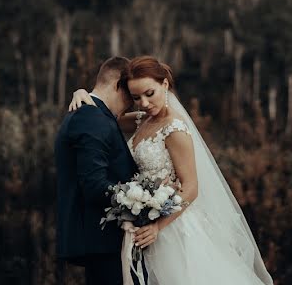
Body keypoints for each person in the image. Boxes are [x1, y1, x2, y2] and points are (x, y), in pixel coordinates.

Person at [69, 55, 274, 285]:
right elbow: (106, 117)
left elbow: (191, 188)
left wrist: (158, 226)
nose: (144, 103)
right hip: (142, 221)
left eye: (149, 94)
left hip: (172, 226)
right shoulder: (142, 120)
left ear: (164, 84)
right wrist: (83, 94)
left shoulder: (175, 129)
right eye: (136, 98)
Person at [54, 56, 138, 285]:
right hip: (102, 240)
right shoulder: (92, 117)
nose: (133, 103)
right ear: (117, 85)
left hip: (103, 242)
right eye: (130, 95)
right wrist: (141, 198)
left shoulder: (94, 114)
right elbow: (93, 184)